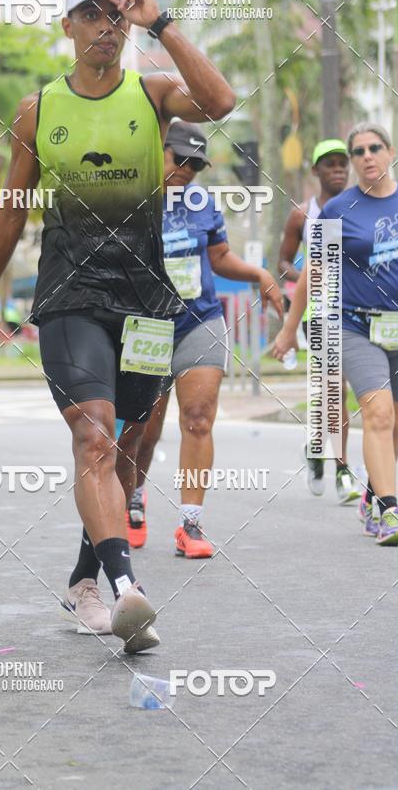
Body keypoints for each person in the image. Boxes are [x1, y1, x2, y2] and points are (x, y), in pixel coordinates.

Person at [0, 0, 235, 650]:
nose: (105, 27)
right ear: (67, 27)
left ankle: (86, 578)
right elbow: (10, 209)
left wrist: (162, 22)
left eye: (115, 14)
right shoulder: (41, 109)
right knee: (94, 433)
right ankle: (124, 588)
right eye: (91, 14)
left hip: (144, 298)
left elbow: (222, 101)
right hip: (69, 294)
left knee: (126, 447)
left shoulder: (153, 95)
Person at [127, 122, 284, 556]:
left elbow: (218, 258)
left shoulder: (203, 203)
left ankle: (189, 526)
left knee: (197, 416)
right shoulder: (129, 199)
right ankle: (132, 497)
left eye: (196, 163)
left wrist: (258, 273)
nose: (187, 169)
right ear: (158, 152)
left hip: (200, 319)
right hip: (145, 326)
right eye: (180, 158)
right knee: (144, 425)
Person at [273, 123, 398, 546]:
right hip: (352, 324)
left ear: (390, 152)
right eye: (359, 152)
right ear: (353, 161)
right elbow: (313, 272)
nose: (367, 156)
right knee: (378, 411)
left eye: (375, 148)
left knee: (397, 426)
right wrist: (289, 328)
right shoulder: (338, 209)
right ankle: (390, 511)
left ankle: (371, 494)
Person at [278, 139, 360, 503]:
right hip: (320, 312)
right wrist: (304, 282)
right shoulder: (302, 214)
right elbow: (283, 261)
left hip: (360, 308)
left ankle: (315, 448)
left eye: (343, 163)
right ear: (315, 171)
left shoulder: (361, 206)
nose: (338, 169)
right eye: (329, 164)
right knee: (333, 390)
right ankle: (343, 470)